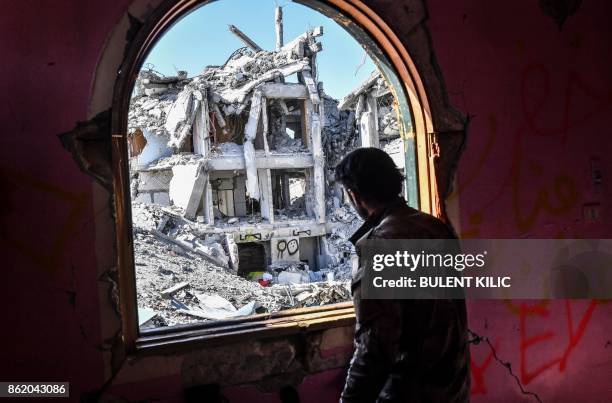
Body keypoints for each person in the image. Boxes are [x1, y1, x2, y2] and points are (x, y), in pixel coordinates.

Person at [335, 148, 470, 402]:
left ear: (354, 196)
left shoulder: (378, 247)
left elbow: (375, 350)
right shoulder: (435, 227)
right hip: (454, 388)